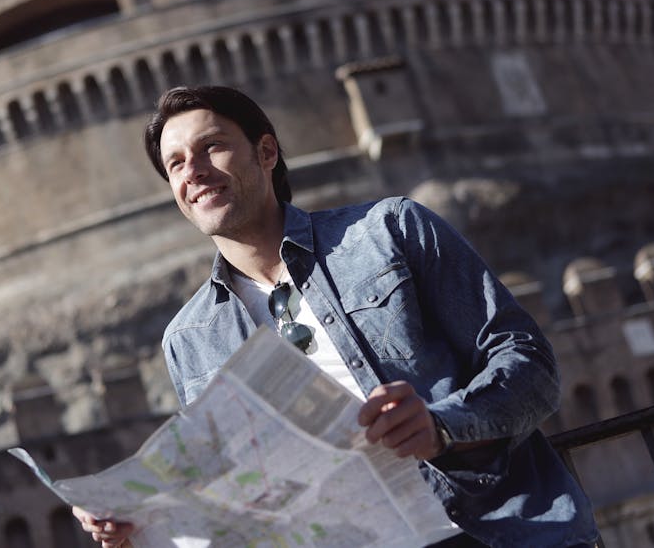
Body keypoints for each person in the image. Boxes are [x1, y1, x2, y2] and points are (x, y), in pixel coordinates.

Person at [75, 85, 599, 547]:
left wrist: (442, 426)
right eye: (176, 164)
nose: (195, 170)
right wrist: (142, 524)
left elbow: (532, 368)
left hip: (491, 531)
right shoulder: (189, 339)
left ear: (266, 151)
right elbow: (230, 498)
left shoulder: (390, 230)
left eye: (212, 146)